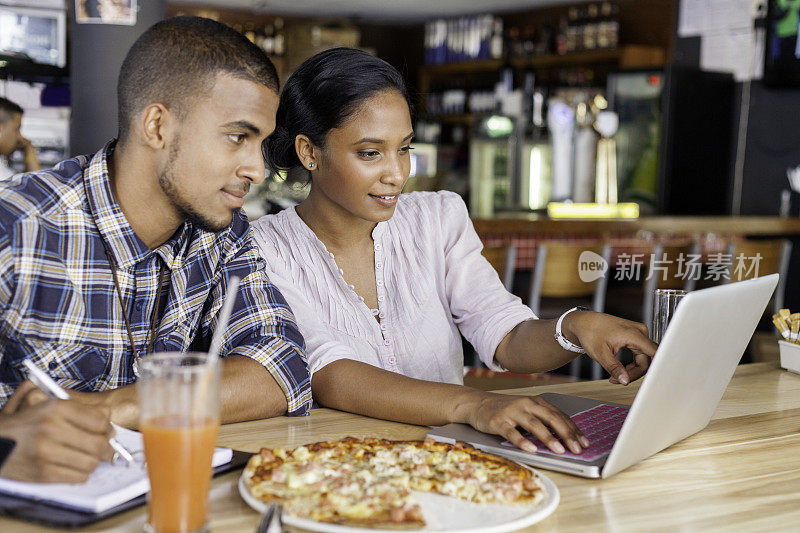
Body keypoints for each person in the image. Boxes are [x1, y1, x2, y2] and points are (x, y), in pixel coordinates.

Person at [251, 47, 657, 455]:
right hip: (337, 468)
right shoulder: (264, 247)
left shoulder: (438, 218)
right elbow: (329, 373)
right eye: (370, 153)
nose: (397, 174)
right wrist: (475, 404)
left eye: (405, 148)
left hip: (451, 462)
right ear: (309, 152)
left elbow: (506, 335)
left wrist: (573, 327)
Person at [0, 16, 311, 482]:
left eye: (261, 144)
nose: (256, 168)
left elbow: (281, 366)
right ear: (157, 125)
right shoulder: (17, 227)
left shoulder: (223, 235)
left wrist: (110, 408)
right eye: (237, 136)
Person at [0, 97, 41, 181]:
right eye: (16, 129)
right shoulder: (4, 178)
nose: (20, 137)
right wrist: (30, 152)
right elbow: (37, 189)